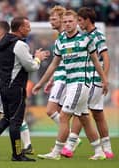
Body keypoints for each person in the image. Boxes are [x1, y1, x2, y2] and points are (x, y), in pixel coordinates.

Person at [33, 9, 108, 160]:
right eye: (65, 22)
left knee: (63, 117)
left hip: (81, 84)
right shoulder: (60, 41)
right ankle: (99, 152)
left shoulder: (86, 39)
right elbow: (54, 65)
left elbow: (95, 61)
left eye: (70, 21)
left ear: (76, 22)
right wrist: (40, 83)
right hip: (71, 83)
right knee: (85, 119)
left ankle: (56, 152)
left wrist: (104, 80)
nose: (67, 24)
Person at [0, 17, 49, 162]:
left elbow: (11, 65)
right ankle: (17, 155)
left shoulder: (3, 42)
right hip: (15, 88)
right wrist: (38, 58)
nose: (29, 28)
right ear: (20, 28)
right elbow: (32, 67)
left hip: (4, 87)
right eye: (27, 26)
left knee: (6, 119)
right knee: (16, 122)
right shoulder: (20, 45)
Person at [43, 5, 82, 153]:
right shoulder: (61, 38)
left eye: (54, 19)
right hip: (62, 77)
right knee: (63, 112)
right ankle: (66, 142)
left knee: (53, 110)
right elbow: (60, 62)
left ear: (61, 20)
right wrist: (52, 79)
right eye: (50, 19)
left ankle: (72, 139)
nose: (51, 22)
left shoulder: (69, 37)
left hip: (69, 79)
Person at [76, 7, 113, 159]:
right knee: (97, 114)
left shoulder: (97, 36)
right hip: (89, 78)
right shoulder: (85, 35)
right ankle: (107, 149)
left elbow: (106, 58)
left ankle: (69, 145)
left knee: (82, 111)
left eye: (80, 20)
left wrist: (104, 79)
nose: (79, 23)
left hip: (94, 78)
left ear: (87, 20)